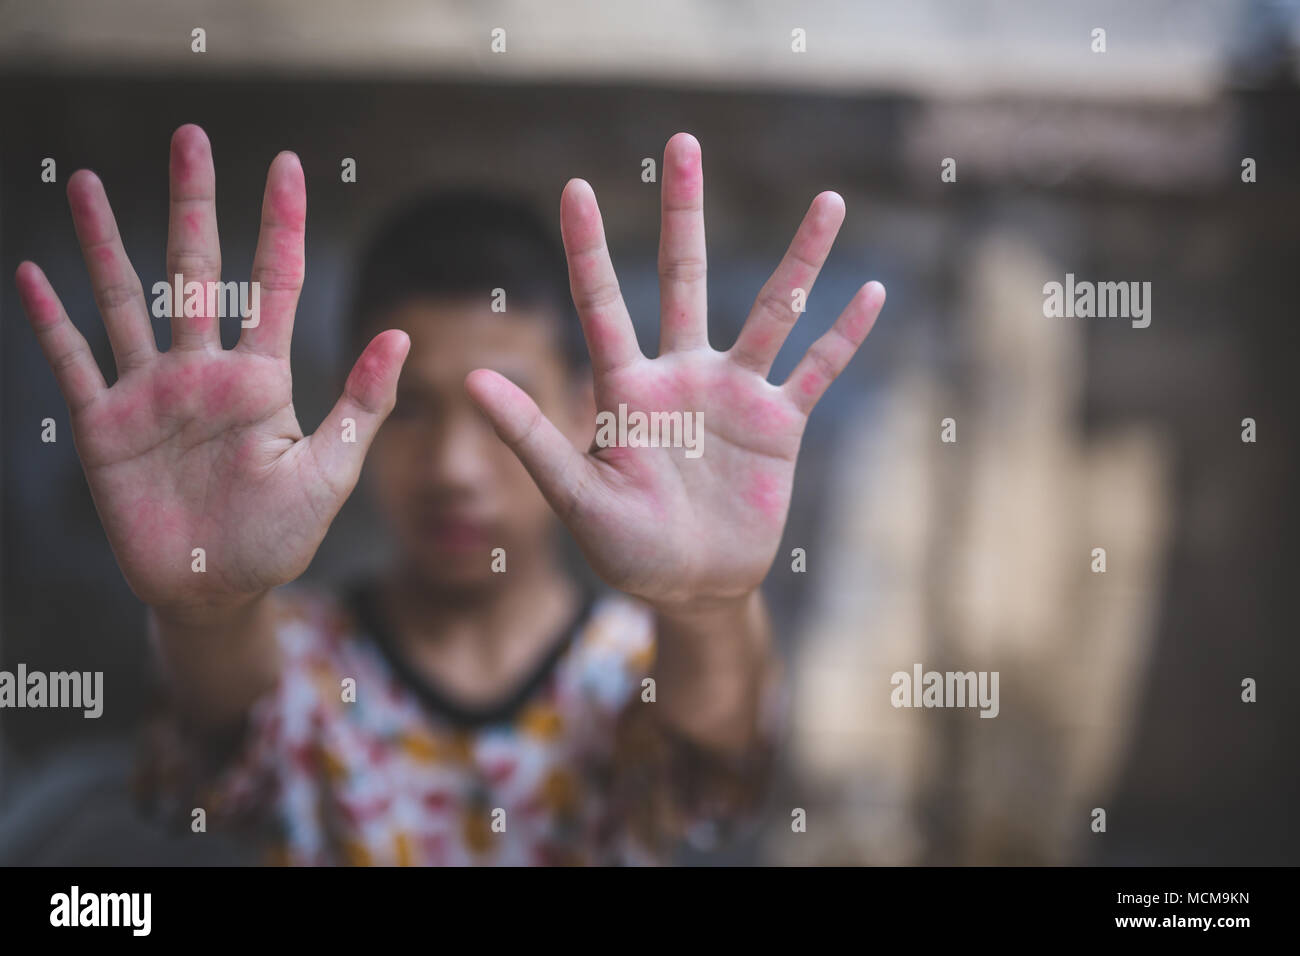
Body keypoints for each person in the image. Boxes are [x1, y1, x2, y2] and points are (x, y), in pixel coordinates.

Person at [14, 123, 887, 865]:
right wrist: (205, 603)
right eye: (410, 410)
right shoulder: (304, 660)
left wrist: (708, 604)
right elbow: (217, 724)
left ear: (591, 411)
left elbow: (719, 748)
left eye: (500, 412)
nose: (453, 470)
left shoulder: (629, 671)